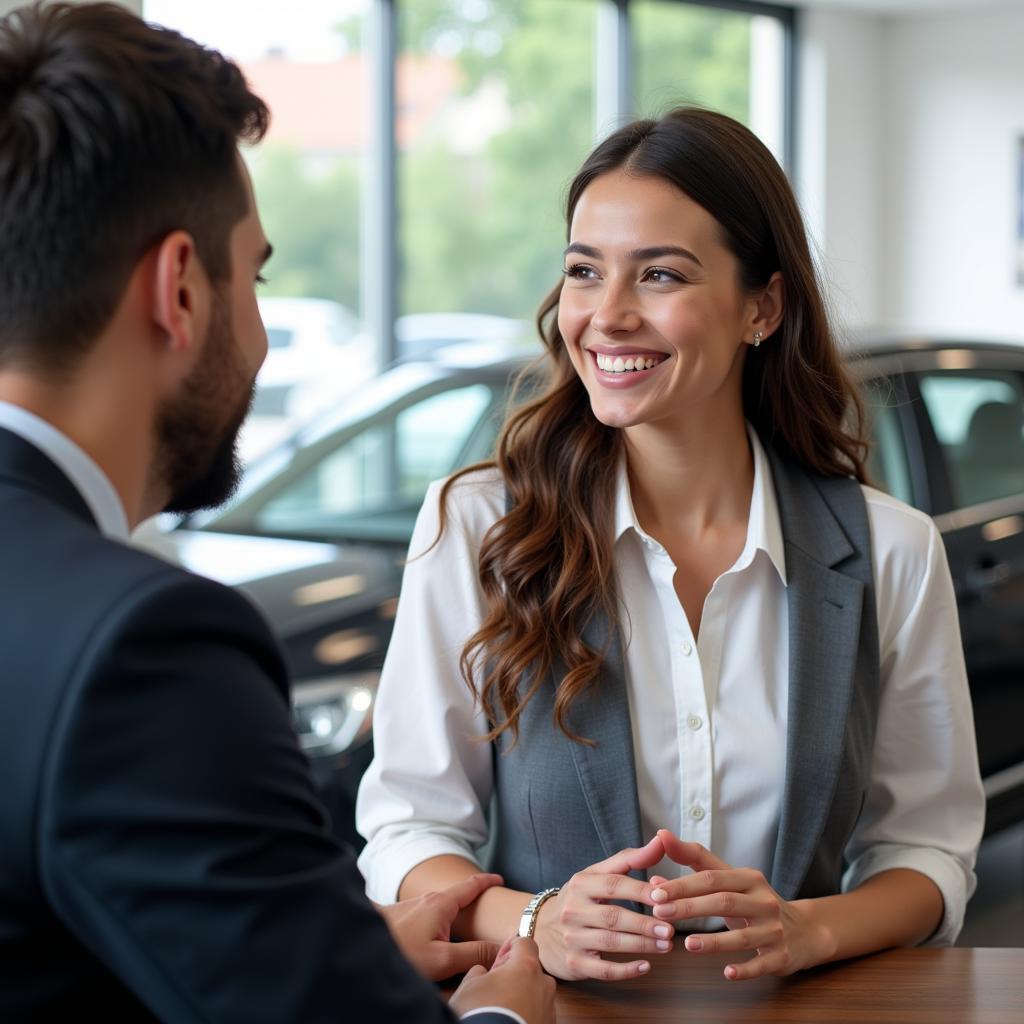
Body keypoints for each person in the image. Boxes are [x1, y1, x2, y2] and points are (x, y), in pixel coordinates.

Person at [0, 4, 555, 1022]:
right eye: (253, 276)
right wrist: (505, 1015)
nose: (258, 334)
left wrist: (329, 944)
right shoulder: (142, 646)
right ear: (179, 288)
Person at [356, 106, 987, 984]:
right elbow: (411, 828)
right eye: (585, 271)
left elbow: (925, 849)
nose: (607, 316)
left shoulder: (892, 550)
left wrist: (811, 929)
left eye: (659, 275)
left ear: (761, 306)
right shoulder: (477, 526)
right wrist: (541, 919)